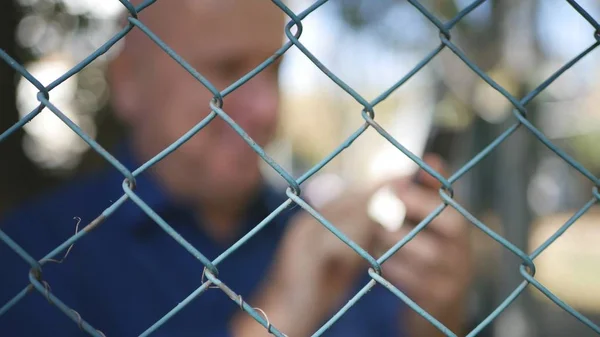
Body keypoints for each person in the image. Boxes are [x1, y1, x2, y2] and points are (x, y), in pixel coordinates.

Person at [0, 1, 472, 336]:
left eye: (274, 71)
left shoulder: (323, 242)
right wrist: (282, 312)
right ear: (128, 82)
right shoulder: (34, 258)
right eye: (228, 70)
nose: (267, 108)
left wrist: (433, 314)